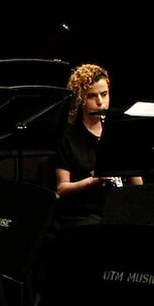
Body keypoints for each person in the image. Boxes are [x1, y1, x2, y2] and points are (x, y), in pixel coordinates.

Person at [53, 63, 137, 228]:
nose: (101, 102)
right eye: (92, 96)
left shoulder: (118, 130)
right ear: (80, 99)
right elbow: (61, 189)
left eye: (104, 94)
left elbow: (136, 182)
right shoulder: (67, 136)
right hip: (82, 214)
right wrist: (93, 181)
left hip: (116, 207)